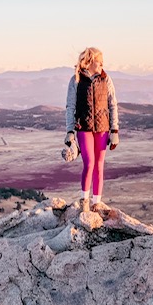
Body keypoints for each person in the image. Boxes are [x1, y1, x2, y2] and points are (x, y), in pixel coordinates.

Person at [65, 47, 119, 211]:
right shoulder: (76, 80)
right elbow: (70, 107)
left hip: (103, 129)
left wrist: (114, 130)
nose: (102, 64)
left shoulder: (106, 79)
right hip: (84, 128)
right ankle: (84, 201)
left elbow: (113, 104)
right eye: (99, 61)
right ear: (89, 62)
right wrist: (69, 132)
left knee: (99, 165)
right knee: (89, 164)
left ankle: (97, 202)